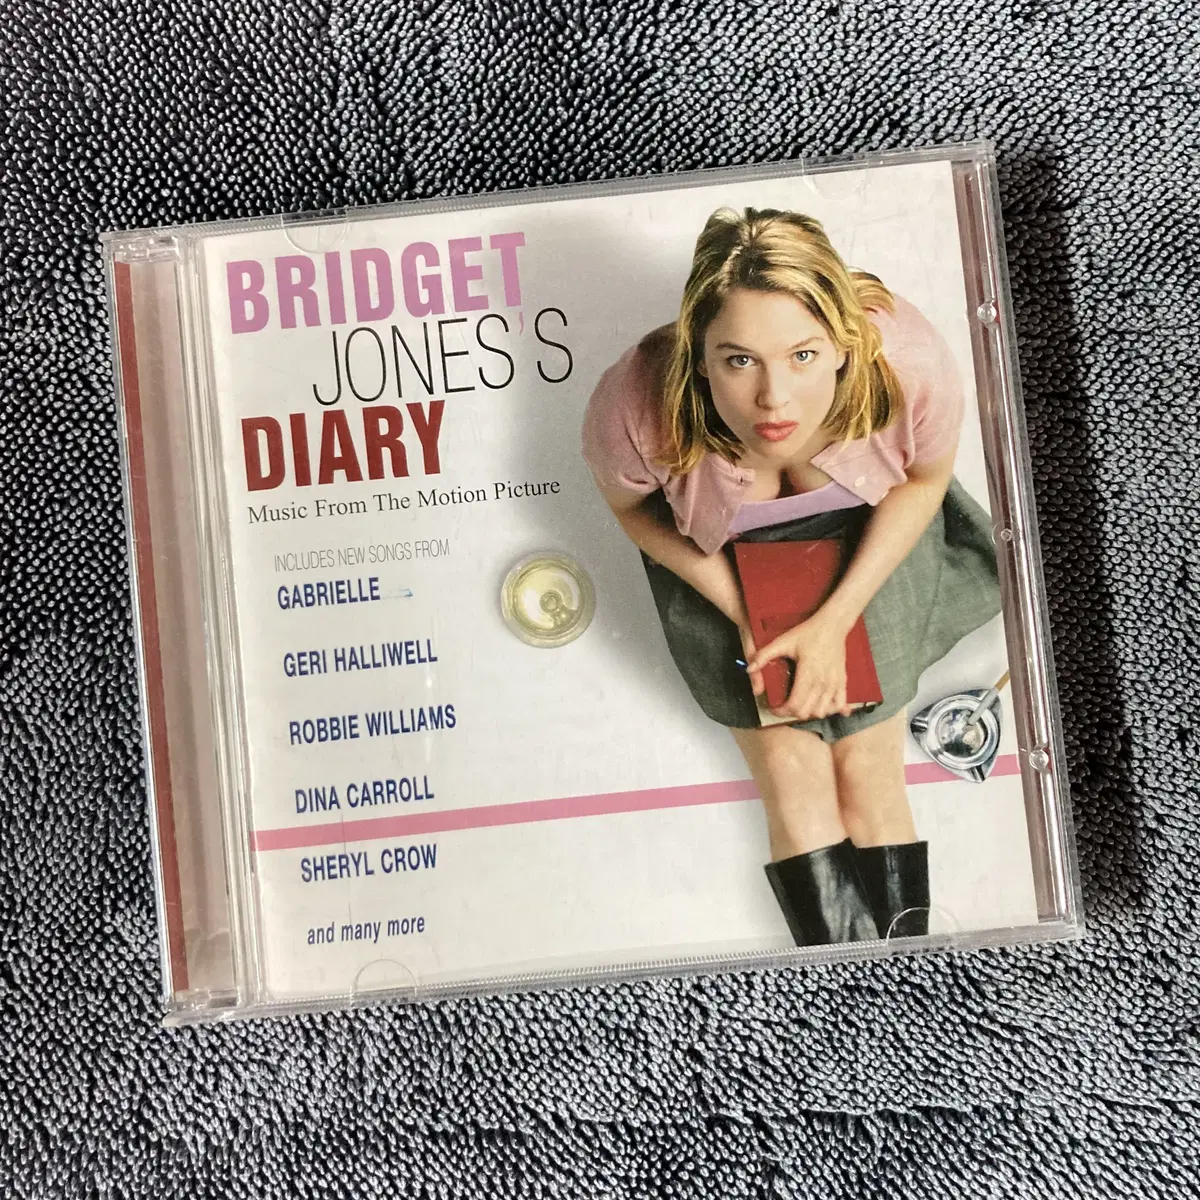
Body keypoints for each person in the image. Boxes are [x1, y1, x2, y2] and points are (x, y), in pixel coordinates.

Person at [582, 207, 1001, 946]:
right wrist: (744, 610)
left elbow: (924, 480)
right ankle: (843, 990)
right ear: (699, 353)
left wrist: (835, 620)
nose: (774, 399)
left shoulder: (907, 358)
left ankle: (909, 975)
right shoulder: (634, 403)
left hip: (873, 538)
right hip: (722, 561)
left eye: (803, 355)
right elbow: (632, 511)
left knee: (867, 768)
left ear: (843, 343)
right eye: (739, 360)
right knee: (791, 775)